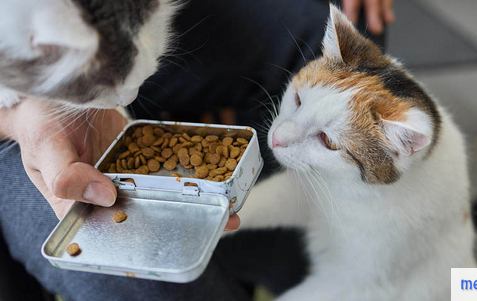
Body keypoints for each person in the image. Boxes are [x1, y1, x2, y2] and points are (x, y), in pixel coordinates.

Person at [0, 1, 394, 300]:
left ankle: (297, 264)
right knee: (140, 277)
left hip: (118, 29)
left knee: (344, 42)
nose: (126, 97)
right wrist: (24, 113)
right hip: (19, 103)